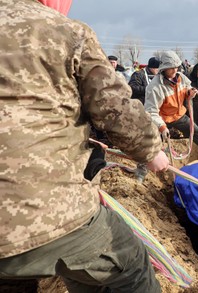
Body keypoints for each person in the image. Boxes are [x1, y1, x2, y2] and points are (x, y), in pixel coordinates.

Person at [0, 1, 169, 292]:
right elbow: (115, 108)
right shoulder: (65, 31)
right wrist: (152, 151)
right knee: (128, 265)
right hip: (36, 210)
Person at [145, 51, 198, 159]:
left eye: (176, 67)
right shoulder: (154, 87)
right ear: (164, 68)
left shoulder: (180, 77)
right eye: (171, 67)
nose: (175, 70)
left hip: (178, 115)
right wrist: (161, 127)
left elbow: (187, 87)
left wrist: (189, 92)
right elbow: (151, 111)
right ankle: (143, 168)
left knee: (196, 131)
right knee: (151, 142)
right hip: (162, 118)